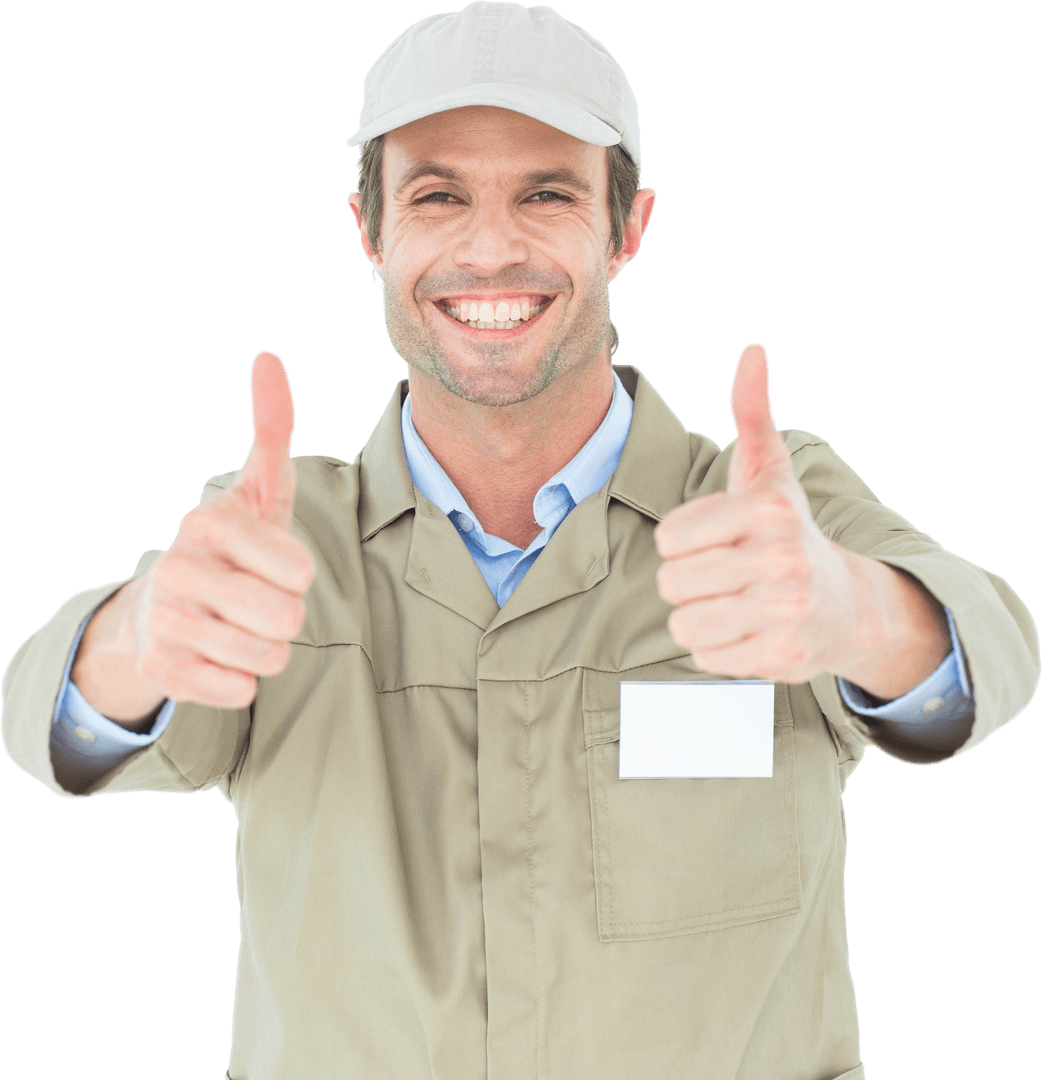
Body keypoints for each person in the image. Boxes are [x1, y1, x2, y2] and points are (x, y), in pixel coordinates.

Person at [2, 2, 1038, 1078]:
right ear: (370, 233)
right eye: (436, 196)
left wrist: (855, 612)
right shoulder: (278, 540)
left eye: (546, 194)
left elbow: (994, 652)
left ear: (627, 228)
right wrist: (138, 638)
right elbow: (42, 720)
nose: (490, 249)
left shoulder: (765, 515)